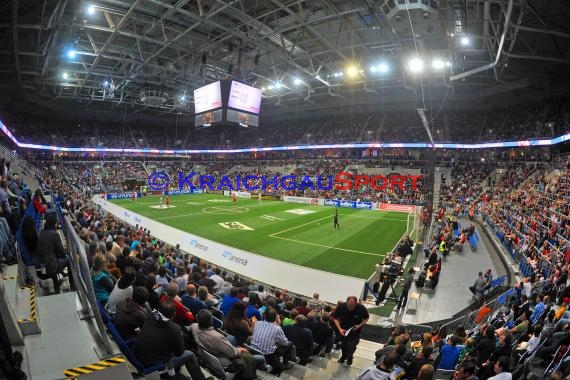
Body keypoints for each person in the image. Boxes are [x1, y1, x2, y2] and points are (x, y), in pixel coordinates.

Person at [132, 299, 211, 380]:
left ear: (159, 310)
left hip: (138, 356)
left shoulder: (151, 315)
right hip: (154, 364)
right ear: (174, 315)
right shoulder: (175, 329)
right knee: (189, 354)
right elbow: (179, 353)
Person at [190, 309, 257, 379]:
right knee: (254, 357)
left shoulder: (193, 326)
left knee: (231, 338)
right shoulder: (217, 337)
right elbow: (233, 353)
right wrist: (240, 349)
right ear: (210, 321)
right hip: (224, 361)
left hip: (208, 351)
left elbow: (188, 329)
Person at [250, 307, 296, 377]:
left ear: (264, 316)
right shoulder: (277, 328)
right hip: (268, 355)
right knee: (290, 343)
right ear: (275, 318)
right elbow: (285, 343)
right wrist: (278, 323)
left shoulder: (257, 323)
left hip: (253, 351)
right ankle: (284, 364)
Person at [332, 296, 369, 366]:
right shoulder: (341, 306)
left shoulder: (361, 308)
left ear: (356, 303)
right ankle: (343, 357)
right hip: (344, 331)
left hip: (355, 332)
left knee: (352, 346)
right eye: (349, 306)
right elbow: (335, 318)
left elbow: (366, 318)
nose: (350, 308)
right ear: (346, 302)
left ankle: (349, 358)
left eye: (352, 307)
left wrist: (359, 326)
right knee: (344, 346)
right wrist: (339, 329)